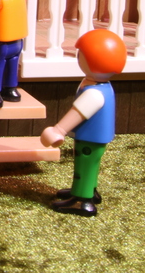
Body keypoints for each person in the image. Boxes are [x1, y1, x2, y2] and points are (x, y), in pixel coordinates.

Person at [40, 29, 127, 217]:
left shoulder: (94, 93)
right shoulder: (99, 85)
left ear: (93, 61)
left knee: (84, 166)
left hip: (90, 138)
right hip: (93, 137)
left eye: (82, 55)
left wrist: (58, 130)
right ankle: (89, 191)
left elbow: (78, 113)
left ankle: (82, 199)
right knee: (89, 166)